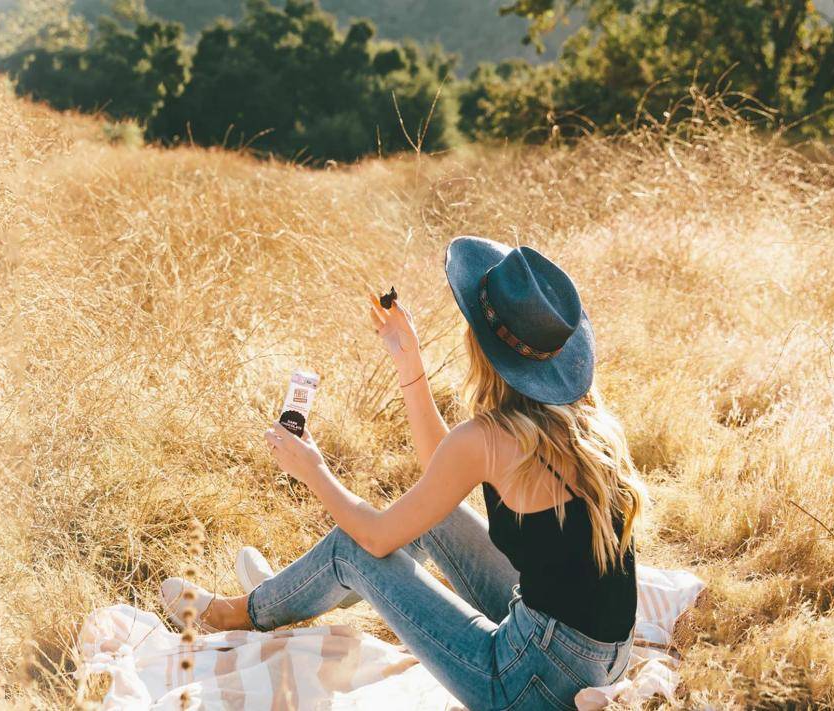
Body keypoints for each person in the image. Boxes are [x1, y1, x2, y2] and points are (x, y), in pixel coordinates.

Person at [160, 236, 648, 710]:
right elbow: (443, 469)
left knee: (354, 548)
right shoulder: (584, 418)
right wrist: (407, 358)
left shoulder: (490, 437)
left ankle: (240, 613)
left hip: (527, 683)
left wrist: (314, 470)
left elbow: (375, 538)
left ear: (479, 344)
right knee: (429, 515)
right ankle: (292, 593)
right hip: (600, 658)